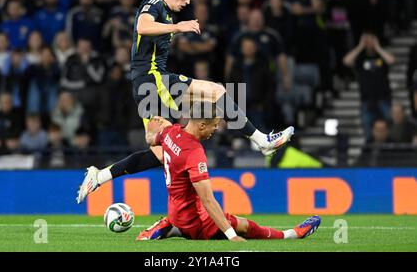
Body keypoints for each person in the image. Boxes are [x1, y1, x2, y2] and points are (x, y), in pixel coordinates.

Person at [76, 0, 294, 204]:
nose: (188, 0)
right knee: (213, 95)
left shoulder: (167, 14)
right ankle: (261, 141)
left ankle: (100, 176)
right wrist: (178, 28)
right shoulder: (154, 4)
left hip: (152, 82)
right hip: (151, 79)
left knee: (161, 152)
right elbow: (142, 26)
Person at [136, 102, 320, 241]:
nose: (216, 128)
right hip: (196, 221)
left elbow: (152, 139)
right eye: (214, 124)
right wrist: (231, 235)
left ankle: (170, 226)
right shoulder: (194, 153)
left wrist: (152, 126)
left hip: (176, 211)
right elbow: (208, 200)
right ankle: (292, 235)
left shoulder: (171, 132)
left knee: (192, 219)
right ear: (201, 125)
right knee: (245, 226)